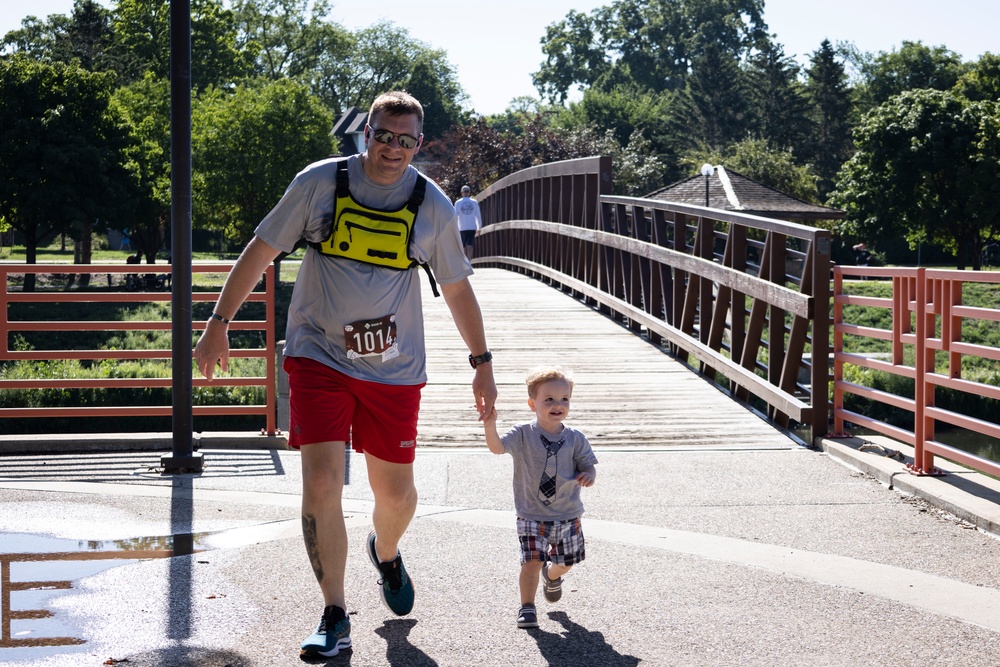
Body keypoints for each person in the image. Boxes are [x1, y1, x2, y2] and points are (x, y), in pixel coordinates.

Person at [194, 90, 497, 660]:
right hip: (318, 354)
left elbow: (457, 288)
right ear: (367, 133)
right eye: (384, 136)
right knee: (322, 483)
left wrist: (482, 365)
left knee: (398, 495)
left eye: (405, 141)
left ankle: (384, 551)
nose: (392, 149)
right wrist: (218, 321)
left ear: (418, 145)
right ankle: (334, 612)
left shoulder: (430, 206)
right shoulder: (320, 183)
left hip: (394, 366)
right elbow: (261, 250)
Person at [483, 366, 597, 629]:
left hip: (567, 514)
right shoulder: (523, 434)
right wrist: (490, 425)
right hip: (531, 514)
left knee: (566, 562)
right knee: (531, 562)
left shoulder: (576, 438)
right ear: (532, 403)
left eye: (564, 399)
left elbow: (588, 465)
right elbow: (497, 448)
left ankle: (552, 575)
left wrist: (589, 475)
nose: (558, 405)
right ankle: (527, 607)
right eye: (549, 400)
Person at [454, 184, 482, 260]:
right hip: (472, 226)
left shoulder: (458, 203)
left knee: (463, 245)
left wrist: (454, 227)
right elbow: (478, 215)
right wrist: (479, 227)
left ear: (461, 192)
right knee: (470, 244)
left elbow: (455, 216)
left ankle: (464, 261)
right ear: (469, 192)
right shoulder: (474, 202)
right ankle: (468, 260)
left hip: (461, 227)